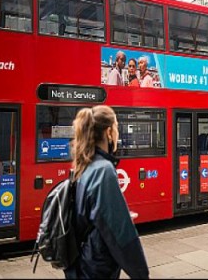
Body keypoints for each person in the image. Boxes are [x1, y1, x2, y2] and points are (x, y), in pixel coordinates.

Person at [63, 105, 149, 279]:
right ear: (109, 132)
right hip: (96, 268)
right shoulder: (103, 170)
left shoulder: (84, 165)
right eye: (117, 127)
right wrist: (141, 273)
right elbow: (121, 233)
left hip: (82, 264)